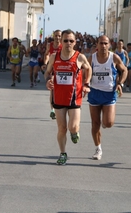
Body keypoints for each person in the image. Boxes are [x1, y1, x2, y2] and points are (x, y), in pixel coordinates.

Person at [44, 29, 92, 165]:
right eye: (66, 40)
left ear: (75, 42)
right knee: (61, 128)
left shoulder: (79, 57)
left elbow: (88, 69)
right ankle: (63, 153)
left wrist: (87, 84)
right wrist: (48, 80)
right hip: (59, 98)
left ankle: (74, 132)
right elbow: (47, 72)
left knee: (73, 127)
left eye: (71, 41)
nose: (68, 43)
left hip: (74, 98)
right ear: (61, 41)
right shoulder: (54, 57)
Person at [88, 36, 127, 160]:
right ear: (97, 45)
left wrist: (120, 83)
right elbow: (85, 72)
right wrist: (85, 83)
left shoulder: (114, 57)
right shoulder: (92, 58)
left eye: (106, 43)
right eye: (101, 43)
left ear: (109, 45)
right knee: (95, 123)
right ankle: (98, 148)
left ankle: (105, 122)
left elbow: (124, 70)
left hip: (109, 93)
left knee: (108, 123)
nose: (103, 46)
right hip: (94, 92)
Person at [43, 30, 62, 119]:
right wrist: (46, 62)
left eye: (59, 36)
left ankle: (59, 108)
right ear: (53, 36)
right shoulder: (49, 45)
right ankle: (52, 110)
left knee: (59, 90)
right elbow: (46, 54)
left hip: (60, 69)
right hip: (51, 68)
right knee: (52, 90)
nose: (57, 37)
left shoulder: (63, 46)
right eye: (56, 35)